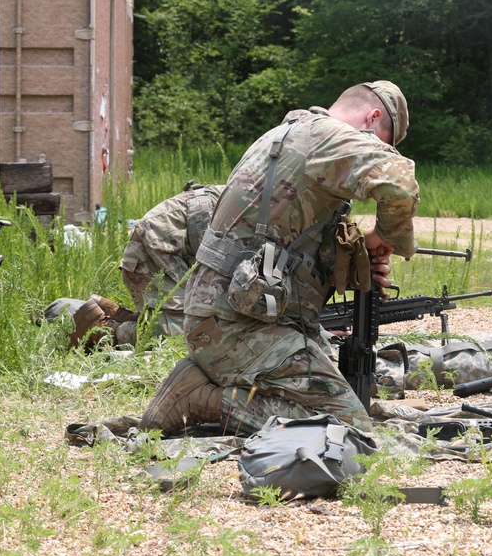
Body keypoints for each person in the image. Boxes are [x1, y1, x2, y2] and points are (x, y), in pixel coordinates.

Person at [139, 81, 419, 437]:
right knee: (349, 430)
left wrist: (352, 259)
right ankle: (201, 397)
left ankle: (206, 383)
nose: (378, 150)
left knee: (343, 402)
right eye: (382, 140)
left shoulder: (283, 135)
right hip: (241, 329)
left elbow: (279, 245)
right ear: (372, 117)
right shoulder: (329, 136)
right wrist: (385, 235)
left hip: (223, 319)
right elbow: (401, 185)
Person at [118, 182, 225, 337]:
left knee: (202, 321)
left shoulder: (250, 198)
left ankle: (118, 318)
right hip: (149, 254)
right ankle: (110, 331)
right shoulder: (248, 207)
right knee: (194, 335)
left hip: (162, 250)